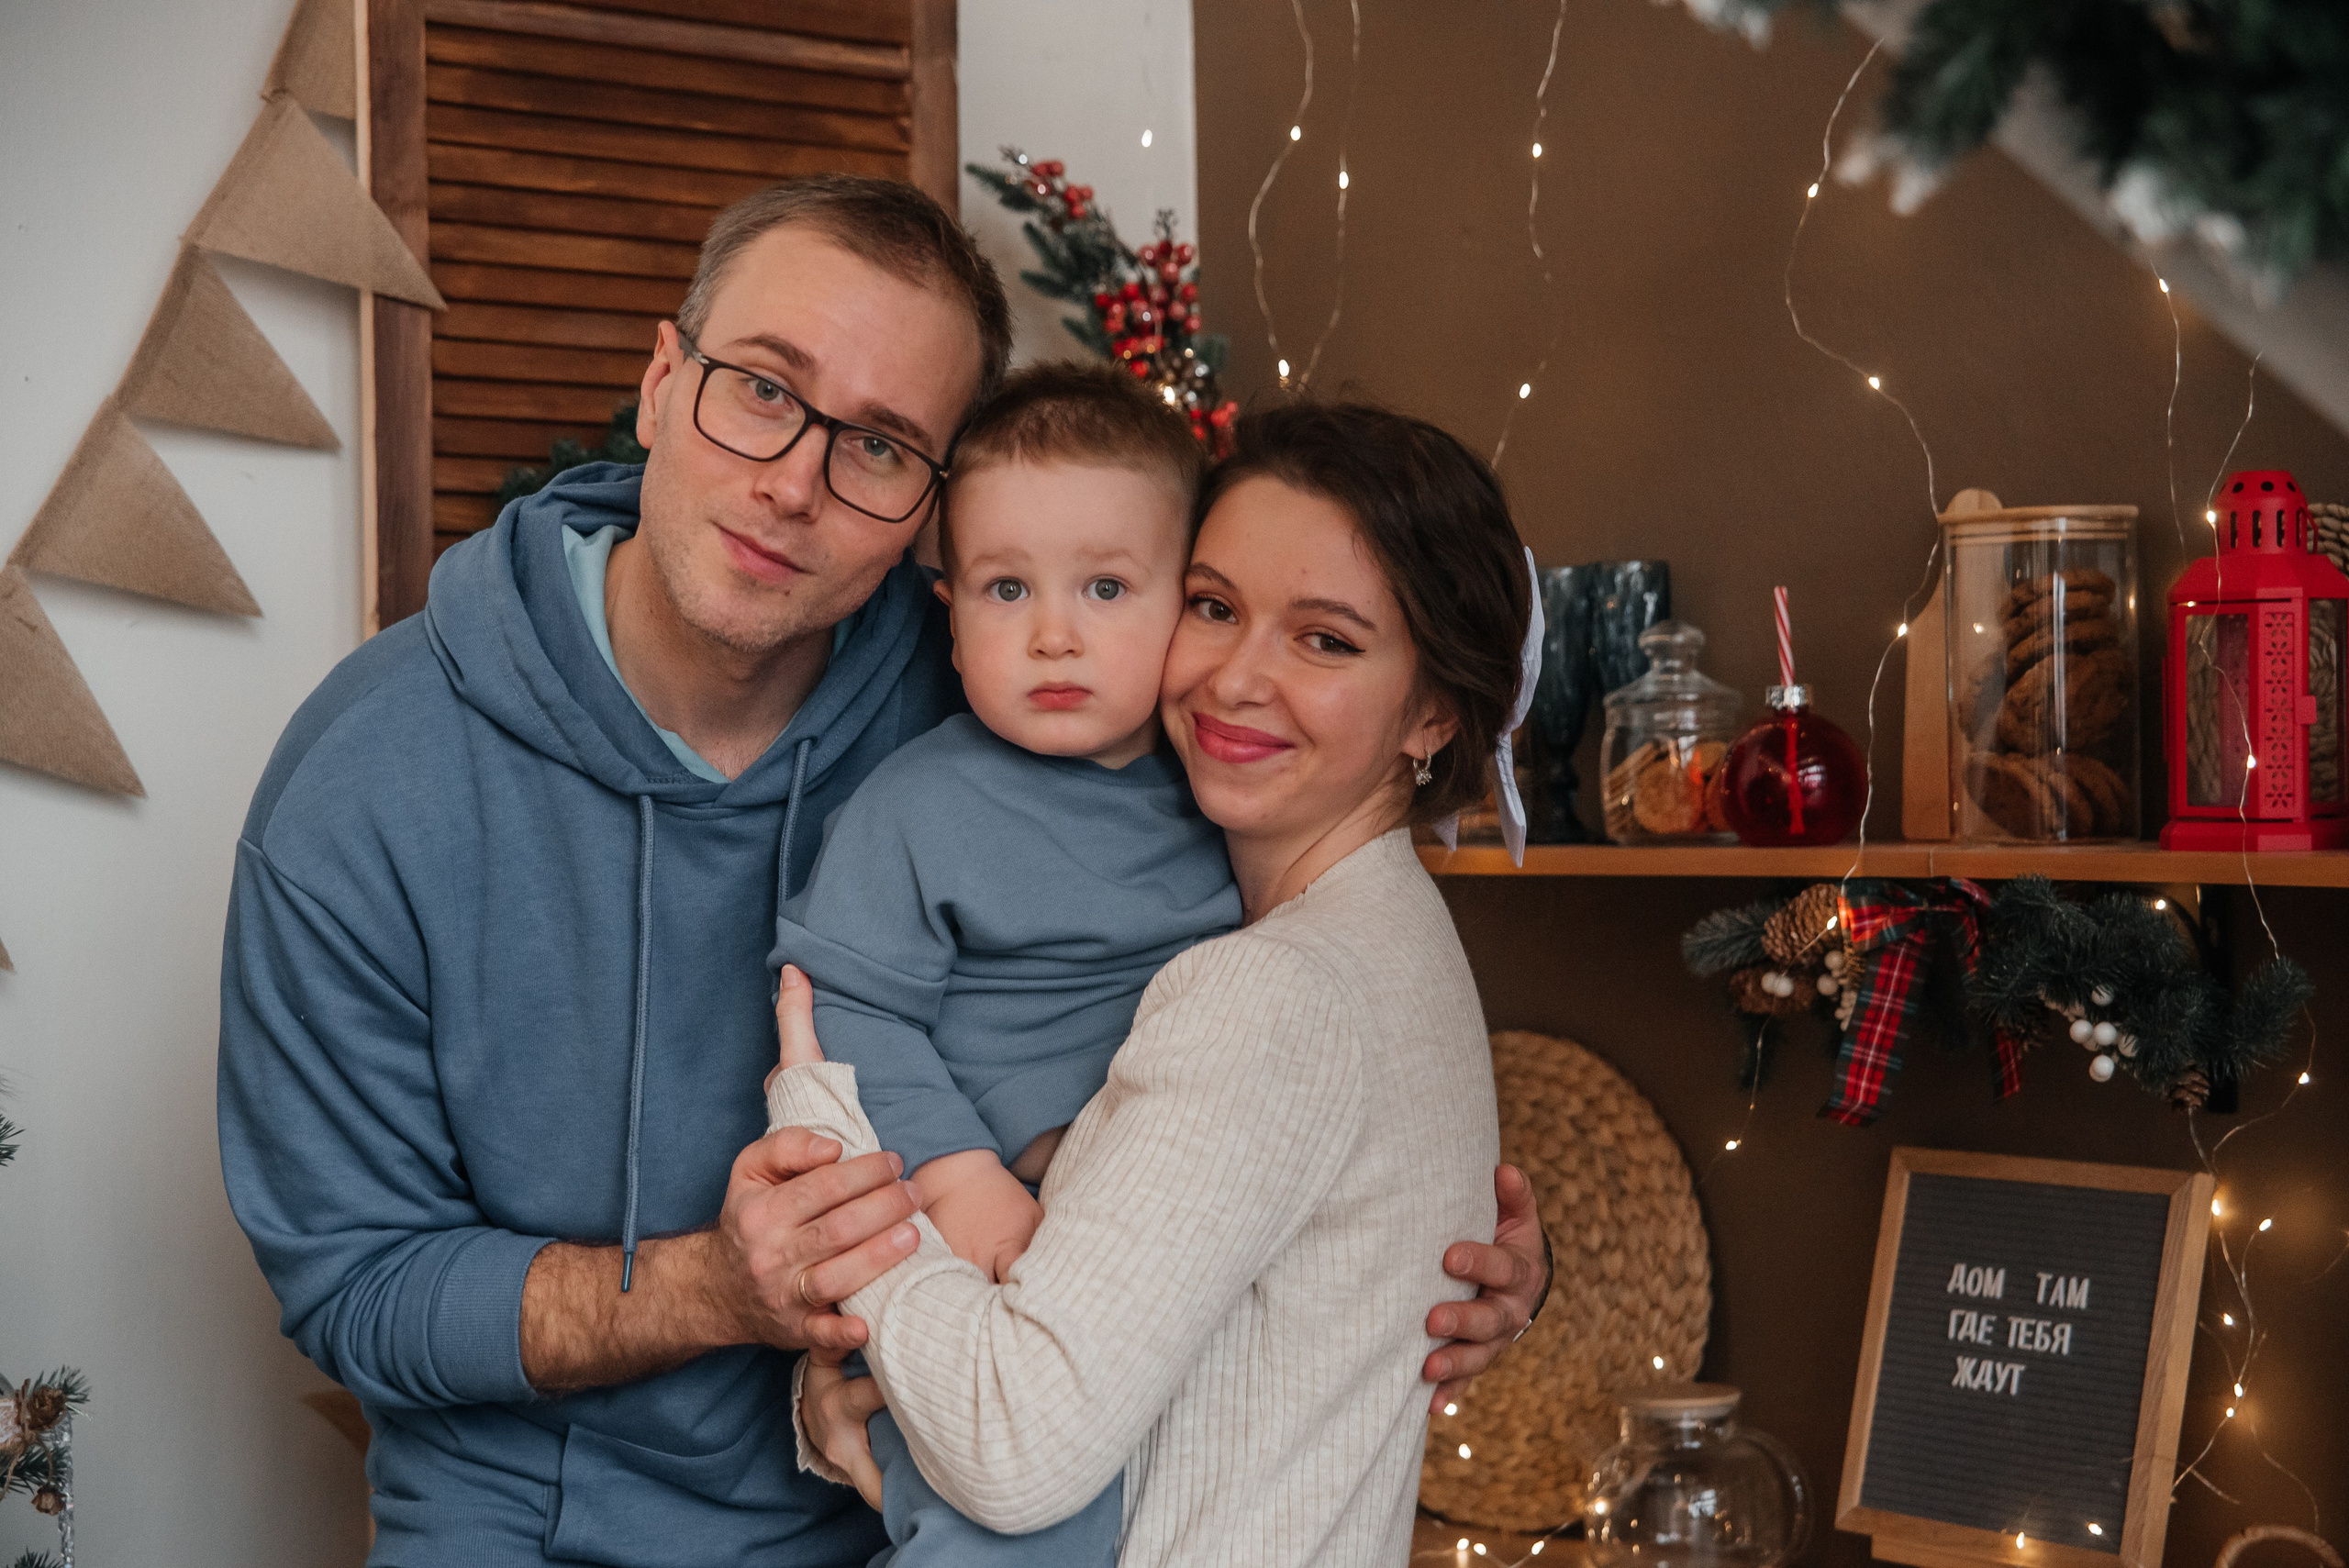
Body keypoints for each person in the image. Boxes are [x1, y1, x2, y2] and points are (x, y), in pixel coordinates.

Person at [216, 174, 1548, 1567]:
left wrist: (1451, 1258)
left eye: (879, 444)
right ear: (663, 380)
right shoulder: (369, 780)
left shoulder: (1015, 701)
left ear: (930, 509)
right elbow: (355, 1283)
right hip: (521, 1533)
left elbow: (1309, 992)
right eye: (761, 389)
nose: (794, 480)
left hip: (900, 1503)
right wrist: (714, 1292)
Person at [774, 400, 1530, 1564]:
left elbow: (1013, 1445)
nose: (1236, 677)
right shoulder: (1385, 930)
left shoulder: (1272, 989)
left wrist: (818, 1120)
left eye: (1325, 639)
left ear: (1432, 709)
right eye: (1217, 608)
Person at [770, 359, 1240, 1563]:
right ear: (948, 603)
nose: (1053, 634)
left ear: (1189, 599)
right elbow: (843, 1015)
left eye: (1105, 586)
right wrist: (966, 1182)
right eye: (1006, 587)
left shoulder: (1231, 804)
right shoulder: (920, 804)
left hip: (1147, 1227)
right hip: (969, 1227)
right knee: (1026, 1508)